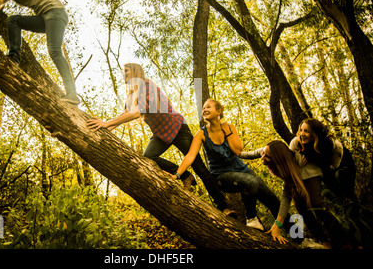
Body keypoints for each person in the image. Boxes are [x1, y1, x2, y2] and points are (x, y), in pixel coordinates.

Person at [87, 63, 234, 216]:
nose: (123, 74)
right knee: (148, 156)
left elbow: (137, 112)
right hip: (160, 134)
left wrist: (107, 123)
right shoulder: (131, 96)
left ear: (135, 72)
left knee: (199, 167)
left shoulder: (147, 85)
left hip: (177, 128)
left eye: (126, 71)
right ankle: (185, 176)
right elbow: (124, 116)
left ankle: (224, 207)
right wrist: (105, 127)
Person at [173, 99, 283, 230]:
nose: (204, 110)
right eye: (203, 108)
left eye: (208, 107)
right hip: (222, 177)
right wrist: (177, 174)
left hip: (243, 171)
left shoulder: (230, 128)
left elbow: (237, 151)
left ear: (218, 111)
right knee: (250, 182)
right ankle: (251, 218)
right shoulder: (201, 133)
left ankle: (300, 238)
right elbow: (190, 155)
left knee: (275, 203)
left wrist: (228, 131)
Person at [258, 140, 349, 248]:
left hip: (316, 176)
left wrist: (277, 225)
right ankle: (323, 241)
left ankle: (344, 241)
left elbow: (287, 196)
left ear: (277, 159)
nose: (262, 157)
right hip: (300, 183)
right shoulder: (279, 162)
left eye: (266, 156)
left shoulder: (296, 161)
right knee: (302, 208)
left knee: (317, 206)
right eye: (263, 153)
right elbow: (286, 196)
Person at [292, 118, 356, 201]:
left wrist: (310, 156)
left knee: (347, 192)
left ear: (315, 134)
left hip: (343, 165)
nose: (302, 134)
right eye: (301, 130)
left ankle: (355, 208)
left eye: (306, 131)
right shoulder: (298, 142)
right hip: (327, 169)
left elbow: (330, 165)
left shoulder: (328, 144)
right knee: (337, 194)